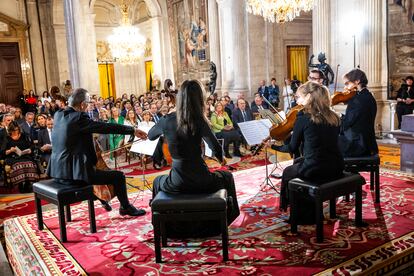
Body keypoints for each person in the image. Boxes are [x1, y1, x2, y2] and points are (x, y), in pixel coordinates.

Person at [148, 80, 240, 237]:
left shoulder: (167, 120)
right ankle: (222, 222)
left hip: (177, 180)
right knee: (227, 176)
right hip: (201, 179)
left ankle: (166, 226)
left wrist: (168, 126)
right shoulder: (200, 120)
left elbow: (150, 136)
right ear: (198, 99)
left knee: (157, 181)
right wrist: (221, 159)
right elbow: (215, 147)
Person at [47, 88, 148, 216]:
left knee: (99, 174)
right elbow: (105, 127)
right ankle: (125, 207)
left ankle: (102, 199)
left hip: (58, 172)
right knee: (119, 177)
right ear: (82, 104)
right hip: (74, 176)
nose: (88, 105)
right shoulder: (79, 118)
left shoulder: (59, 115)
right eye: (88, 103)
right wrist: (132, 130)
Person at [268, 81, 344, 224]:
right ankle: (309, 210)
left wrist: (273, 146)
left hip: (317, 169)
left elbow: (291, 148)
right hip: (337, 166)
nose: (297, 101)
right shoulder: (334, 117)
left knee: (288, 172)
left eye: (298, 97)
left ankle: (298, 215)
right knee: (298, 163)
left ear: (308, 97)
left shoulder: (303, 118)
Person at [338, 69, 378, 157]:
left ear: (357, 81)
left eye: (347, 83)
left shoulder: (357, 100)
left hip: (357, 145)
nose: (346, 87)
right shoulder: (369, 96)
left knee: (328, 143)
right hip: (369, 143)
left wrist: (339, 119)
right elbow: (359, 118)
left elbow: (347, 124)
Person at [5, 122, 39, 192]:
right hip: (12, 157)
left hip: (24, 156)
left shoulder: (24, 136)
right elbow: (3, 152)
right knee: (19, 165)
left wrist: (30, 150)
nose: (16, 132)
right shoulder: (7, 138)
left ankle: (27, 184)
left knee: (30, 163)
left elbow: (32, 146)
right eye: (14, 130)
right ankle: (20, 184)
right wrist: (10, 150)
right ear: (10, 130)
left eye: (17, 130)